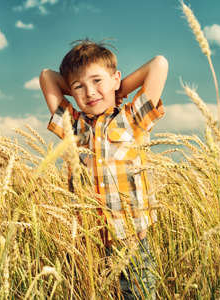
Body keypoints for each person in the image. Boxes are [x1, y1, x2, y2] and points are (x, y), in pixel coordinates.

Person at [39, 39, 168, 299]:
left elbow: (159, 64)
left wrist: (119, 88)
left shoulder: (132, 120)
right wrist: (88, 83)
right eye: (79, 87)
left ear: (115, 78)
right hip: (90, 244)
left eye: (97, 81)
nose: (89, 92)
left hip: (131, 243)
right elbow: (47, 76)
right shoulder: (74, 127)